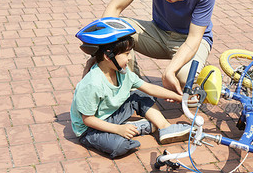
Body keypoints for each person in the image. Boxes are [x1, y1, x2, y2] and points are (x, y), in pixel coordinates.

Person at [85, 0, 217, 98]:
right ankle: (131, 89)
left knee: (184, 78)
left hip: (188, 40)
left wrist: (170, 71)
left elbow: (194, 38)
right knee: (117, 29)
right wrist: (101, 52)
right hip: (157, 32)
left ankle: (196, 75)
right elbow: (115, 8)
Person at [71, 18, 192, 159]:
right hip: (90, 129)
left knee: (140, 94)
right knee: (120, 146)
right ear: (108, 56)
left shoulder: (122, 72)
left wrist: (180, 97)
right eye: (126, 54)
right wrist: (118, 129)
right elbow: (88, 120)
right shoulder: (93, 83)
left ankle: (165, 127)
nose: (129, 58)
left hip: (111, 115)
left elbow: (149, 88)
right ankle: (137, 127)